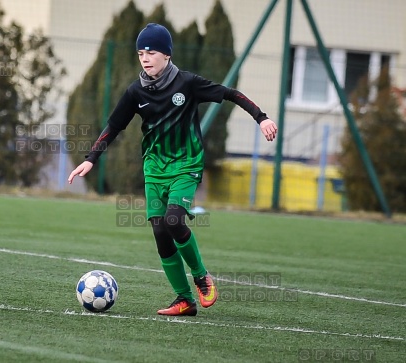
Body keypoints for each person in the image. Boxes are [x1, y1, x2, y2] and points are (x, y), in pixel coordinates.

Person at [68, 23, 278, 316]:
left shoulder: (187, 83)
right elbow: (114, 126)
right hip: (155, 168)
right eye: (141, 52)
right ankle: (184, 300)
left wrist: (262, 117)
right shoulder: (135, 91)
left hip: (185, 164)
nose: (145, 57)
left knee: (174, 220)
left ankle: (202, 277)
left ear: (166, 55)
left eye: (151, 51)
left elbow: (230, 93)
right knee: (159, 230)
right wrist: (91, 158)